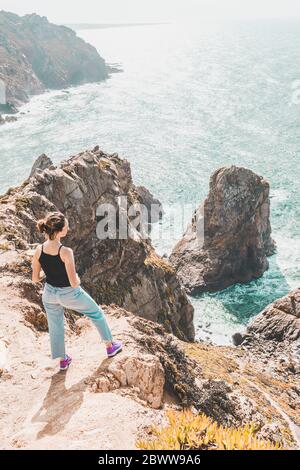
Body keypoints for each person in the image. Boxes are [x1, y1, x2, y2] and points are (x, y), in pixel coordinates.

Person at [31, 211, 122, 371]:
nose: (68, 227)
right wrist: (78, 278)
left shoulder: (39, 250)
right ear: (59, 231)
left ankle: (62, 360)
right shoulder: (65, 252)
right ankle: (110, 346)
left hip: (49, 294)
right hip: (69, 294)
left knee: (56, 326)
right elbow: (73, 283)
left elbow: (35, 278)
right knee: (96, 313)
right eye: (66, 226)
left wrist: (49, 271)